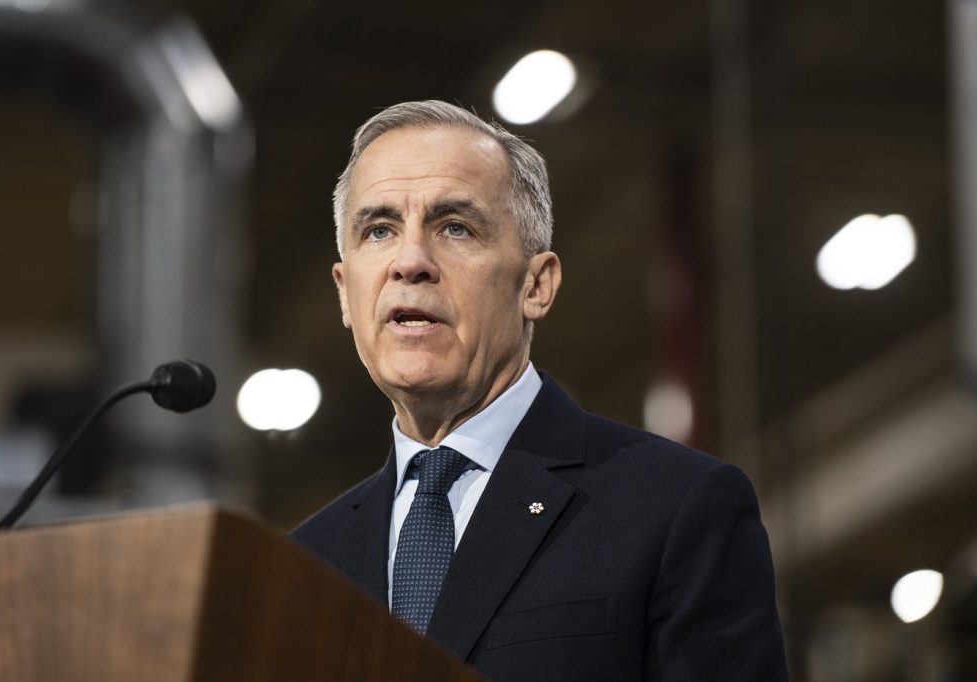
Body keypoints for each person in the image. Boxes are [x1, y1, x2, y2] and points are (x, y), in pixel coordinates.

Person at [290, 100, 788, 681]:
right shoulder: (298, 567)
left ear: (536, 285)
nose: (411, 261)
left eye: (455, 227)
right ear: (345, 293)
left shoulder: (677, 507)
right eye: (379, 230)